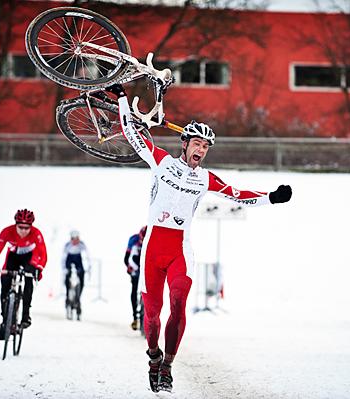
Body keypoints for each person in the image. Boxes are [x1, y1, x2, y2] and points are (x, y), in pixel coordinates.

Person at [105, 83, 292, 393]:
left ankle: (167, 366)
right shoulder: (161, 161)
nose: (201, 151)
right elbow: (131, 134)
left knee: (178, 303)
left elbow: (239, 194)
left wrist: (271, 197)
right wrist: (123, 98)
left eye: (206, 147)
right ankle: (154, 357)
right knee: (151, 315)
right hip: (153, 248)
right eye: (197, 144)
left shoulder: (206, 178)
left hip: (180, 248)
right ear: (185, 143)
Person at [0, 209, 47, 340]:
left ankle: (26, 315)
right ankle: (5, 319)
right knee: (4, 282)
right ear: (15, 224)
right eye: (20, 227)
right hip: (12, 257)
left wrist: (39, 268)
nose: (23, 231)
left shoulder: (36, 233)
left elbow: (43, 253)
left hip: (29, 258)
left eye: (27, 228)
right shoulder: (7, 231)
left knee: (28, 280)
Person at [62, 230, 89, 320]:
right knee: (67, 278)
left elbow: (86, 257)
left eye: (77, 239)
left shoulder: (82, 245)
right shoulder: (67, 246)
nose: (75, 241)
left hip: (79, 261)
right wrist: (64, 269)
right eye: (73, 239)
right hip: (69, 261)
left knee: (81, 278)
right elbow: (63, 258)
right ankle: (67, 298)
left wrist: (86, 269)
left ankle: (78, 300)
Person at [125, 226, 146, 331]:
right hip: (135, 264)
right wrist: (131, 268)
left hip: (146, 266)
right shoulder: (134, 241)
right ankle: (135, 317)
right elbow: (128, 258)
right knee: (134, 288)